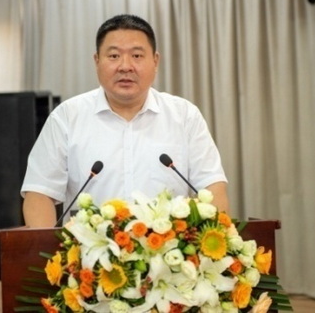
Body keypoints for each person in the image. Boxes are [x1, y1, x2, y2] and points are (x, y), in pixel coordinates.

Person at [21, 14, 229, 227]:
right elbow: (39, 193)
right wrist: (46, 245)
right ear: (97, 61)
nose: (125, 66)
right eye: (114, 56)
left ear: (155, 61)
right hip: (88, 247)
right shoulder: (66, 117)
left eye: (137, 56)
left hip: (167, 246)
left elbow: (212, 188)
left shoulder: (185, 116)